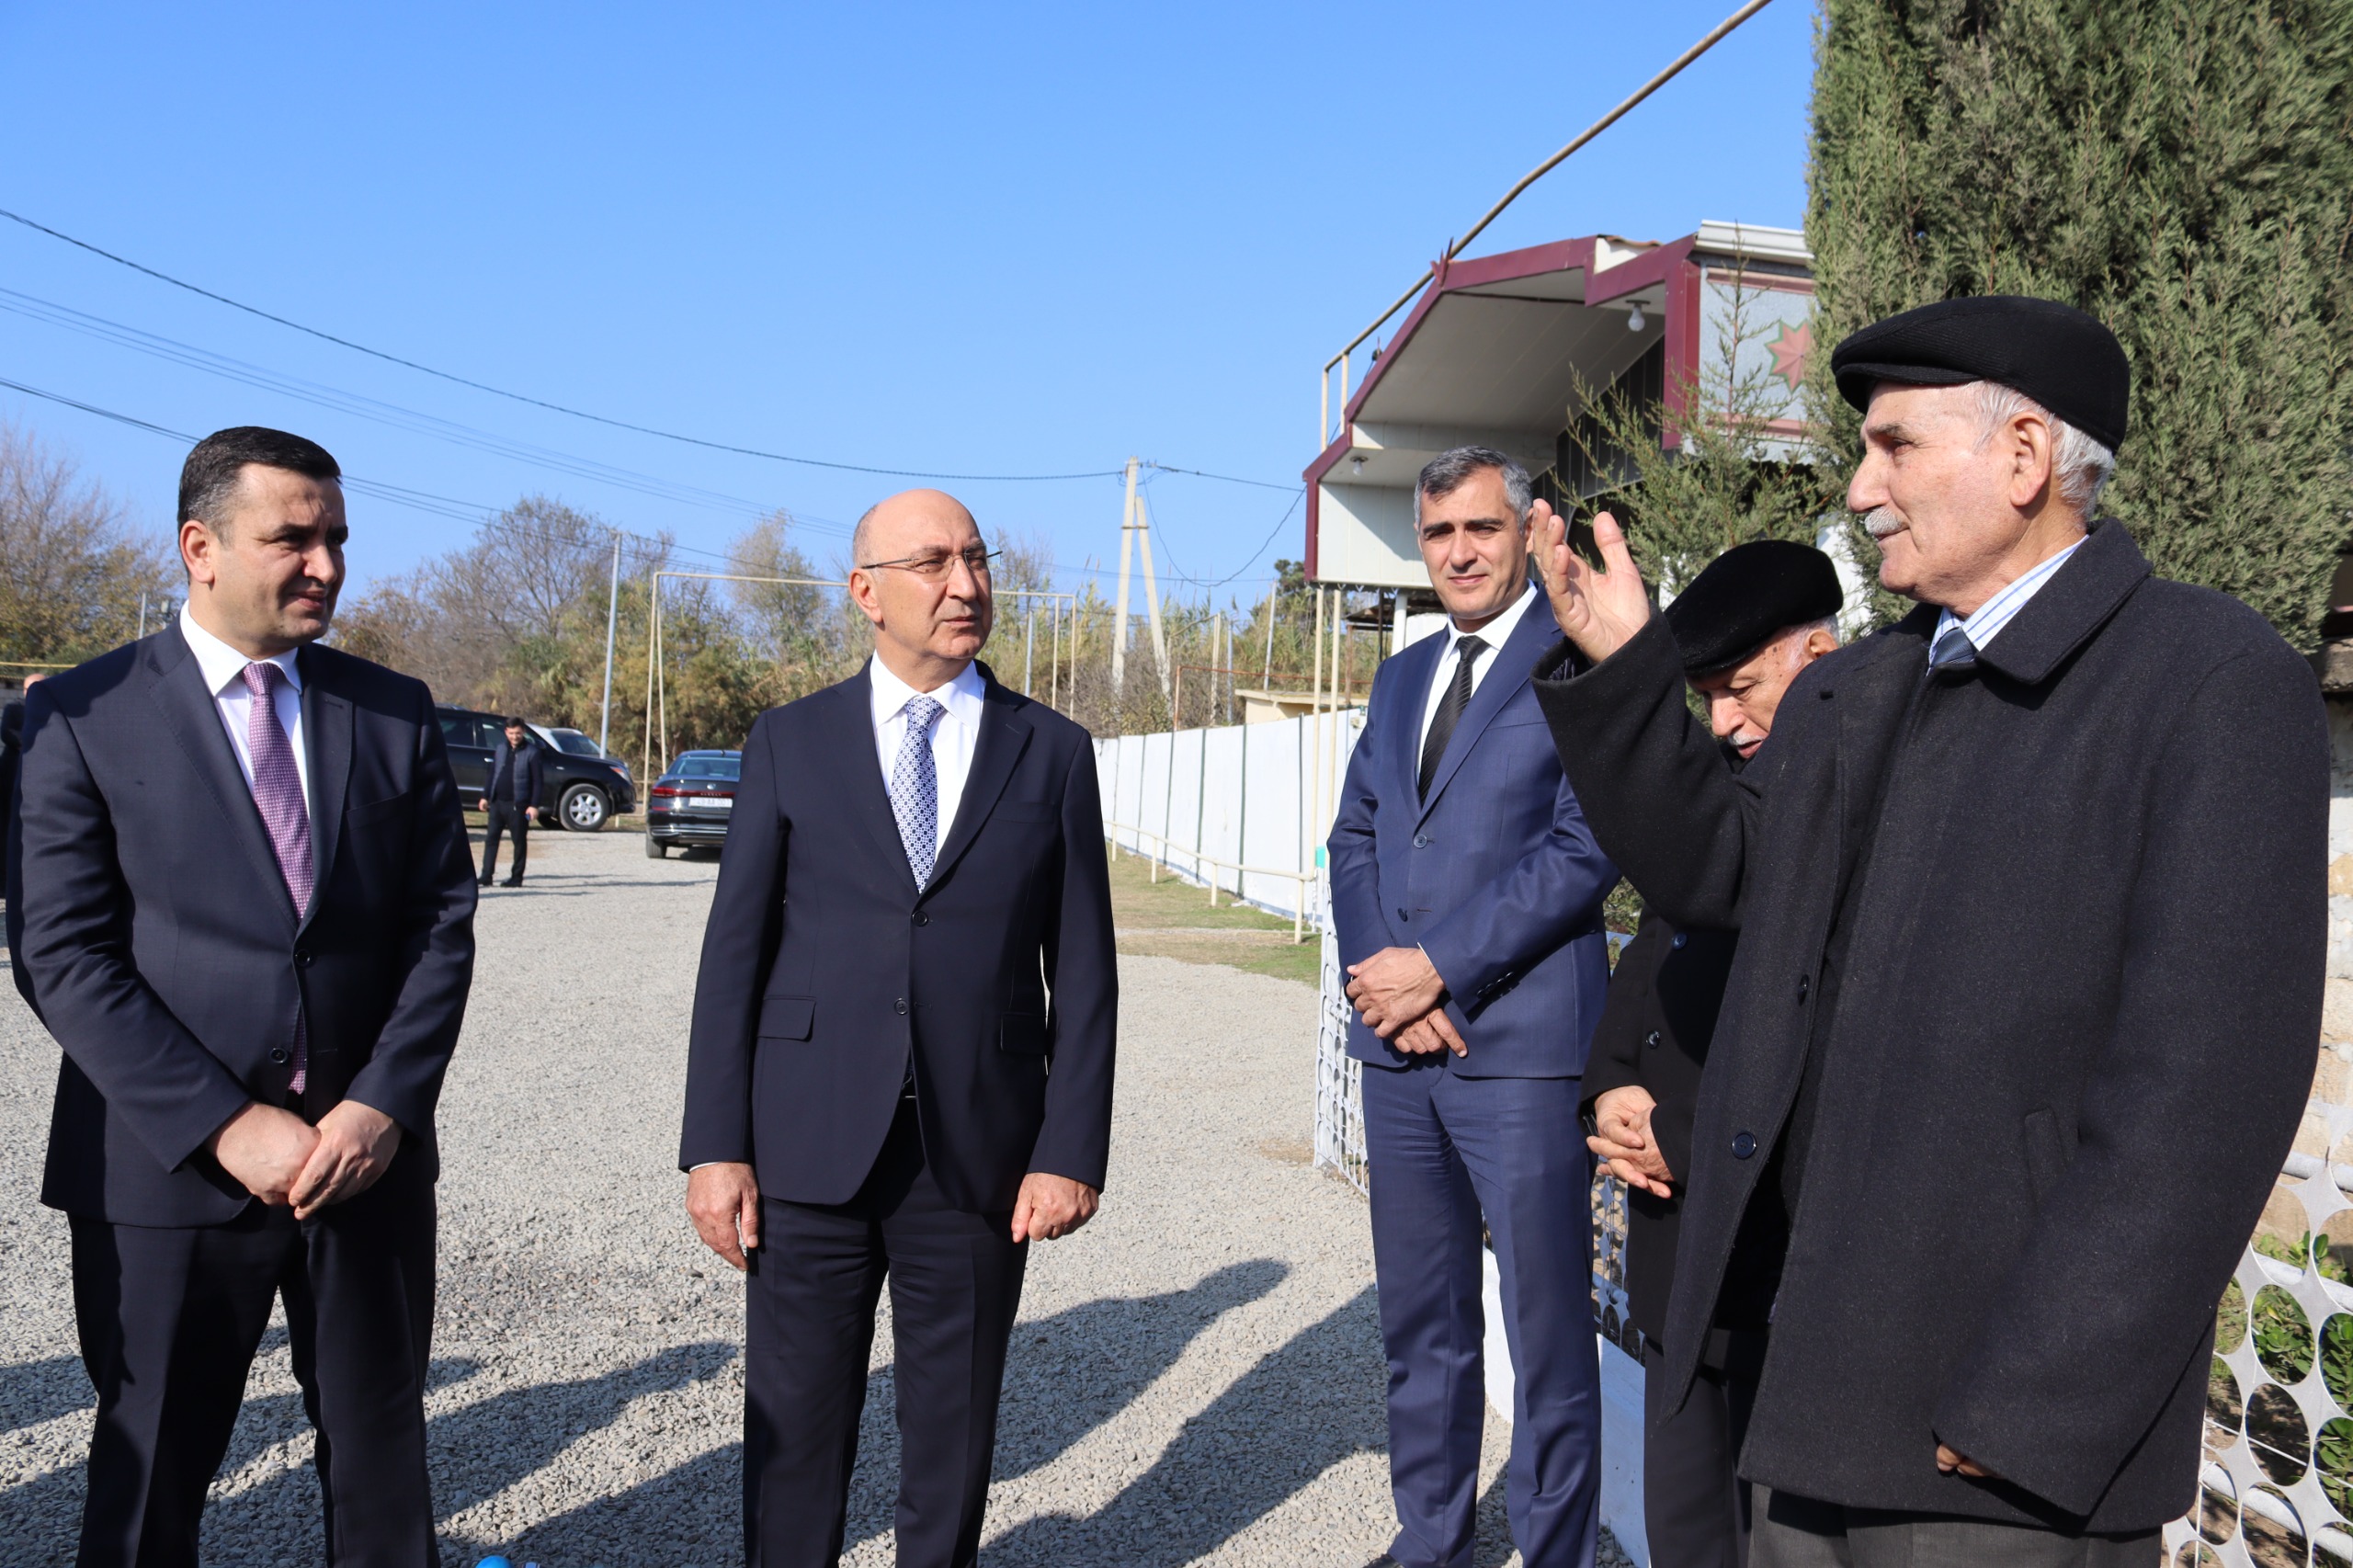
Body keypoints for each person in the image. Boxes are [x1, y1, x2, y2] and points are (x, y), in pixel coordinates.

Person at [1529, 297, 2325, 1564]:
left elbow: (2199, 1104)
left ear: (2021, 458)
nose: (1858, 486)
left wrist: (2034, 1403)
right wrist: (1630, 667)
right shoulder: (1863, 686)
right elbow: (1718, 869)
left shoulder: (2210, 685)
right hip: (1806, 1404)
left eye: (1894, 446)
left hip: (1994, 1453)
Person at [6, 426, 478, 1566]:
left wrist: (378, 1107)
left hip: (362, 1166)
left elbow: (440, 928)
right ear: (200, 547)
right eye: (292, 538)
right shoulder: (80, 713)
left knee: (379, 1464)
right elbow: (63, 953)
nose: (324, 563)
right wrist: (227, 1121)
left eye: (336, 539)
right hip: (166, 1171)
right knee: (149, 1474)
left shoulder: (393, 710)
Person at [679, 487, 1116, 1568]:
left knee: (951, 1443)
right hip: (805, 1149)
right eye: (933, 562)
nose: (964, 583)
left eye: (976, 557)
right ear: (865, 591)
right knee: (793, 1435)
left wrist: (1068, 1150)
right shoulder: (791, 740)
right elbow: (734, 956)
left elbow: (1088, 971)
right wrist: (714, 1145)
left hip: (976, 1156)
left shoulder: (1049, 751)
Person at [1329, 446, 1619, 1568]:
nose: (1457, 551)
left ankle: (1555, 1555)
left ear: (1523, 528)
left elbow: (1587, 845)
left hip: (1524, 1049)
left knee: (1545, 1335)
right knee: (1422, 1326)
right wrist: (1386, 977)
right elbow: (1356, 833)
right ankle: (1432, 1542)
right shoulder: (1400, 675)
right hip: (1400, 1056)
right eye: (1439, 531)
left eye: (1481, 530)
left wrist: (1440, 966)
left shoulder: (1575, 654)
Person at [1582, 539, 1842, 1568]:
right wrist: (1607, 1090)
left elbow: (1826, 1026)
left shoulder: (1848, 800)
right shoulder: (1727, 801)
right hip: (1671, 1242)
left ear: (1818, 656)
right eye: (1706, 699)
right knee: (1683, 1525)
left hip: (1767, 1243)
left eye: (1740, 688)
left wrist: (1678, 1135)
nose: (1723, 722)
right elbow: (1654, 954)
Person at [477, 714, 542, 887]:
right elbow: (492, 774)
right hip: (497, 803)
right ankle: (486, 875)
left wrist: (533, 805)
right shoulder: (500, 749)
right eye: (512, 733)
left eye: (518, 733)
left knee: (519, 842)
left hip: (518, 806)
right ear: (506, 732)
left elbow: (538, 781)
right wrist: (485, 796)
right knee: (491, 839)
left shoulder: (532, 753)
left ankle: (516, 877)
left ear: (524, 733)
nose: (515, 737)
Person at [2, 671, 42, 899]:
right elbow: (8, 734)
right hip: (11, 774)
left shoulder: (53, 707)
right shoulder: (15, 709)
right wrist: (37, 745)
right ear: (24, 690)